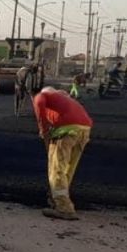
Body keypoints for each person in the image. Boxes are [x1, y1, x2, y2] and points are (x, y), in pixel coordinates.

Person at [33, 87, 93, 220]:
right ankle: (59, 199)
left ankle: (64, 208)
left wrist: (43, 129)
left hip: (66, 131)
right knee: (67, 168)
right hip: (84, 130)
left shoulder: (42, 95)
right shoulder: (67, 100)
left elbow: (38, 102)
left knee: (57, 169)